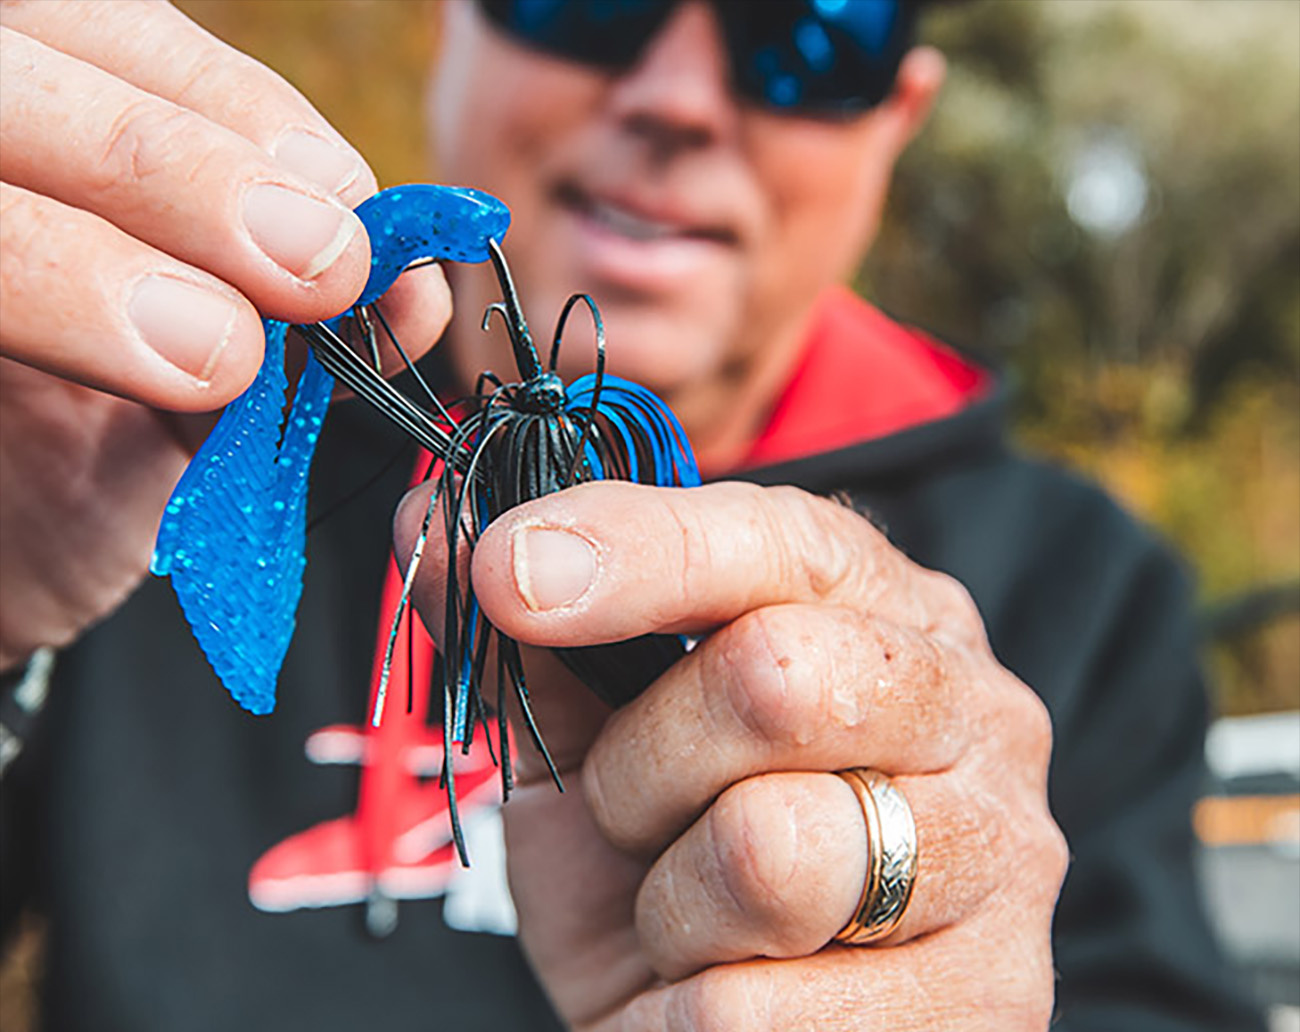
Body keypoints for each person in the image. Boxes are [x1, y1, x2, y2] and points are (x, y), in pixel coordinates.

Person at [0, 1, 1264, 1029]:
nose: (675, 97)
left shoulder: (1087, 590)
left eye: (807, 36)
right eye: (588, 4)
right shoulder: (127, 439)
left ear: (899, 116)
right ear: (452, 24)